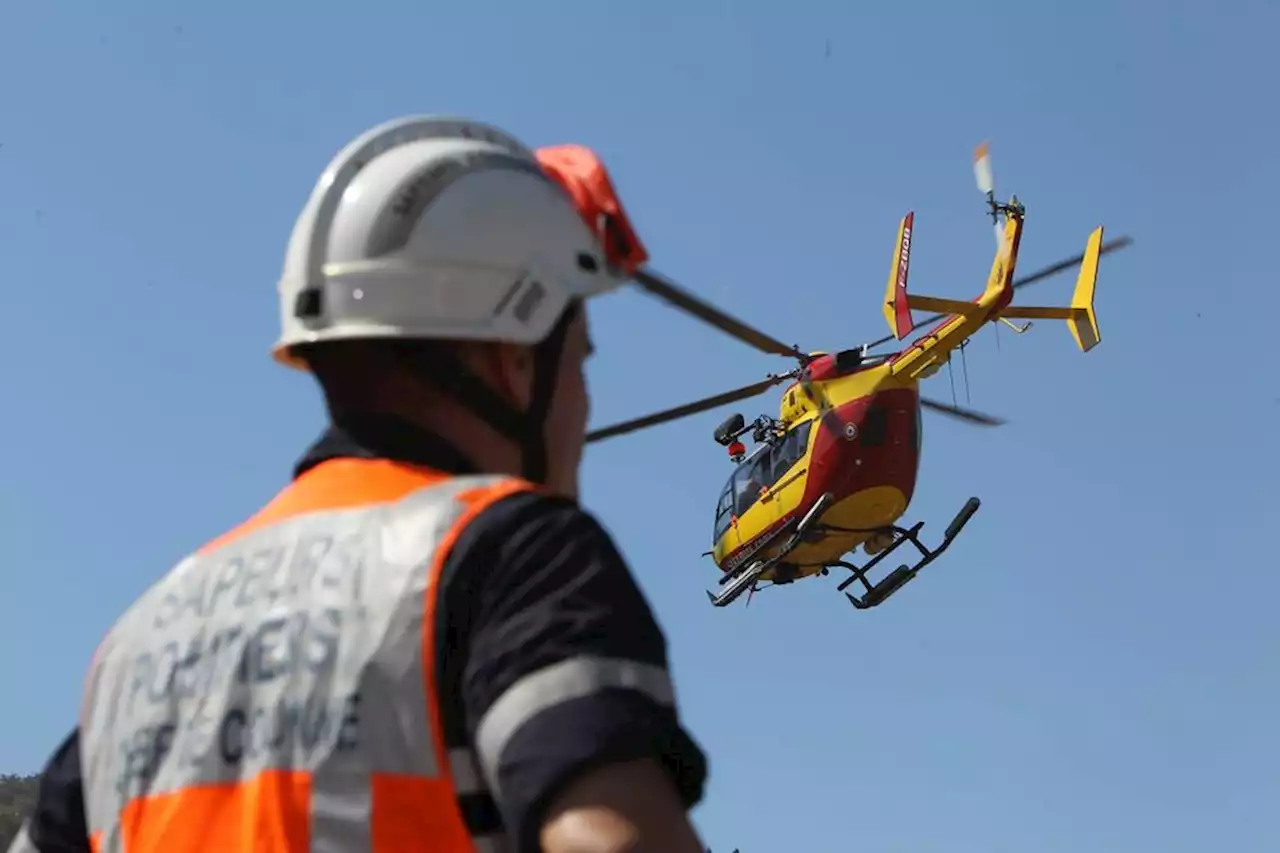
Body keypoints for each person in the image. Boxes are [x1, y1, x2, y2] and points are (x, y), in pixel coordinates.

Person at [10, 116, 708, 853]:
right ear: (515, 356)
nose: (585, 398)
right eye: (580, 358)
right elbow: (611, 839)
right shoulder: (508, 555)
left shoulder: (136, 647)